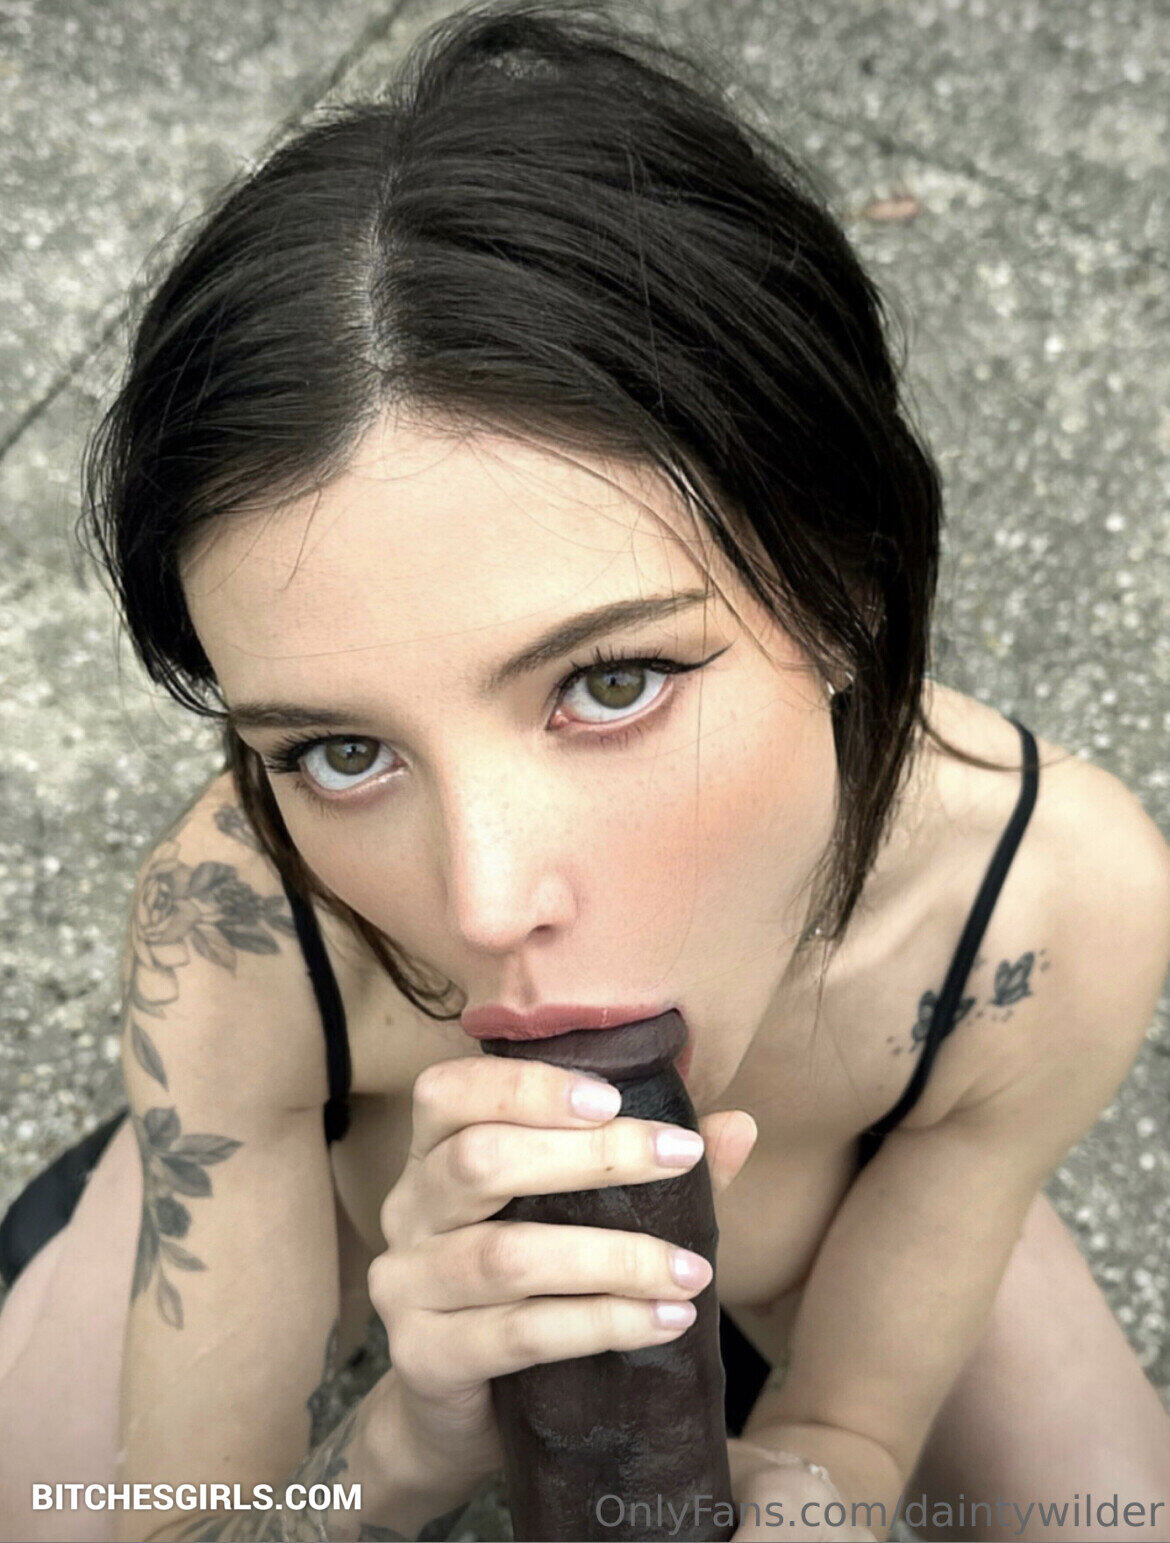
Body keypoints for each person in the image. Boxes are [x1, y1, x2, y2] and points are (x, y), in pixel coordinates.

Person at [2, 3, 1168, 1540]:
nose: (483, 903)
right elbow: (187, 1513)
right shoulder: (241, 930)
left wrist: (821, 1478)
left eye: (609, 684)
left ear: (845, 592)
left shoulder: (1042, 908)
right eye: (342, 752)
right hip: (335, 1222)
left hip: (823, 1235)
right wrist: (395, 1457)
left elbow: (847, 1431)